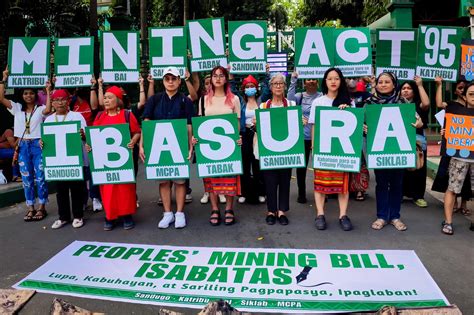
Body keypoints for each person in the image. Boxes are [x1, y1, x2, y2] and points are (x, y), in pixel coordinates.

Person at [365, 72, 422, 231]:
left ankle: (395, 216)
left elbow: (418, 120)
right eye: (380, 82)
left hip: (399, 150)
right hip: (379, 150)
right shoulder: (369, 103)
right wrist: (365, 128)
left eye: (387, 82)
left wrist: (418, 123)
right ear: (375, 85)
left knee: (397, 183)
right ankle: (382, 216)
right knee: (381, 183)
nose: (383, 84)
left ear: (393, 84)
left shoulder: (403, 102)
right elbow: (361, 123)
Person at [140, 67, 194, 229]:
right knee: (163, 180)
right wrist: (142, 145)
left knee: (179, 180)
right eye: (167, 79)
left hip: (179, 145)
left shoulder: (186, 100)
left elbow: (190, 124)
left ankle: (179, 213)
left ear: (179, 81)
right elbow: (147, 122)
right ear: (162, 81)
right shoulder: (154, 99)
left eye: (173, 78)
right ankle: (167, 213)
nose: (170, 82)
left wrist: (190, 146)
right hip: (159, 145)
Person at [0, 67, 52, 221]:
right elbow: (1, 98)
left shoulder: (40, 109)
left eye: (31, 93)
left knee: (41, 177)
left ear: (35, 95)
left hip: (38, 145)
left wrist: (48, 91)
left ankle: (42, 207)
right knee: (26, 178)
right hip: (22, 146)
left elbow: (49, 109)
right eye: (25, 93)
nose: (28, 96)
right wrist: (3, 78)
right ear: (21, 95)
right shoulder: (16, 108)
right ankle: (31, 207)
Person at [89, 86, 141, 230]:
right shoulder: (100, 116)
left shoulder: (126, 115)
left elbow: (137, 132)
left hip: (123, 159)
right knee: (108, 188)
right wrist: (89, 146)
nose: (106, 100)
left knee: (124, 187)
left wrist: (133, 141)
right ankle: (110, 216)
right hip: (105, 160)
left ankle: (126, 215)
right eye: (105, 97)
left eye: (110, 97)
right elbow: (93, 136)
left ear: (118, 100)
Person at [309, 68, 354, 231]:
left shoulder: (349, 101)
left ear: (341, 81)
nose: (333, 82)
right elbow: (314, 126)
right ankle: (320, 214)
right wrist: (314, 147)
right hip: (323, 148)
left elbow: (354, 124)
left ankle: (343, 215)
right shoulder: (318, 102)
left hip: (342, 150)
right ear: (325, 82)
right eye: (330, 79)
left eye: (336, 78)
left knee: (343, 184)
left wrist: (347, 110)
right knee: (320, 182)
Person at [196, 65, 241, 226]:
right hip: (209, 146)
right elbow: (199, 124)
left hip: (229, 146)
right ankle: (214, 209)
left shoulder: (234, 99)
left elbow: (236, 125)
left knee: (230, 178)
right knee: (211, 178)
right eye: (215, 75)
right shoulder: (203, 100)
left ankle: (229, 209)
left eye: (221, 75)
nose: (218, 78)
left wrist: (238, 139)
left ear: (226, 78)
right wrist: (195, 139)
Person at [43, 89, 87, 229]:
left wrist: (83, 135)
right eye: (56, 100)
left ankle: (78, 216)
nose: (60, 102)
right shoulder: (49, 119)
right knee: (60, 190)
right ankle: (63, 217)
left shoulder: (77, 116)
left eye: (63, 99)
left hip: (74, 159)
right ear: (53, 103)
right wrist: (42, 143)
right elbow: (46, 140)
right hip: (58, 161)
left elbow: (86, 137)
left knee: (76, 189)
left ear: (68, 101)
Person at [257, 73, 296, 226]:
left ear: (285, 86)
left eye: (281, 83)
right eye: (275, 84)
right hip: (269, 149)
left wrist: (301, 121)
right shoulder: (263, 106)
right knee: (270, 180)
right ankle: (271, 211)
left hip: (287, 149)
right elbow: (259, 130)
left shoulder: (292, 105)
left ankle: (282, 211)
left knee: (285, 180)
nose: (278, 86)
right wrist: (256, 122)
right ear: (271, 87)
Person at [229, 67, 271, 204]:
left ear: (256, 87)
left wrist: (266, 73)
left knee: (258, 163)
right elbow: (232, 89)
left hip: (258, 135)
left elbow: (266, 87)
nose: (250, 88)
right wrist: (231, 74)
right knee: (245, 164)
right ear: (244, 88)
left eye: (252, 86)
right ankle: (243, 193)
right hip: (244, 134)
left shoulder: (261, 100)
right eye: (247, 86)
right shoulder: (241, 101)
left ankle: (261, 192)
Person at [432, 77, 471, 216]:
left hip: (469, 149)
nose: (462, 90)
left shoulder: (471, 107)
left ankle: (464, 203)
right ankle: (453, 203)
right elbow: (438, 103)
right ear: (456, 90)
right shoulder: (452, 105)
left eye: (464, 88)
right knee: (453, 176)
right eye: (460, 88)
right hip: (454, 147)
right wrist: (439, 85)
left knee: (467, 178)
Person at [440, 81, 474, 235]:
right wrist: (445, 132)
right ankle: (448, 222)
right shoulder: (455, 112)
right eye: (471, 94)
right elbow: (449, 130)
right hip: (459, 158)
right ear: (465, 96)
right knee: (452, 189)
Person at [288, 71, 322, 204]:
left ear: (318, 82)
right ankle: (301, 193)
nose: (311, 81)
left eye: (314, 79)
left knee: (320, 167)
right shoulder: (299, 96)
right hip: (302, 138)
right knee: (301, 168)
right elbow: (289, 101)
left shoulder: (322, 97)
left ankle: (322, 193)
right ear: (304, 82)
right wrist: (293, 79)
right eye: (308, 79)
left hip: (318, 137)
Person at [197, 73, 227, 205]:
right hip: (206, 137)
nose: (210, 85)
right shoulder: (203, 100)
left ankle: (221, 191)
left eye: (211, 82)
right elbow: (199, 119)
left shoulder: (227, 98)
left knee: (222, 167)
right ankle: (207, 191)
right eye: (207, 83)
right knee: (207, 168)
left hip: (222, 136)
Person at [400, 77, 430, 208]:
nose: (406, 91)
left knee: (419, 168)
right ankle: (399, 194)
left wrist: (420, 85)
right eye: (403, 88)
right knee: (401, 169)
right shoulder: (397, 103)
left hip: (418, 140)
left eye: (409, 88)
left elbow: (427, 104)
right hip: (400, 140)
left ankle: (418, 196)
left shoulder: (419, 104)